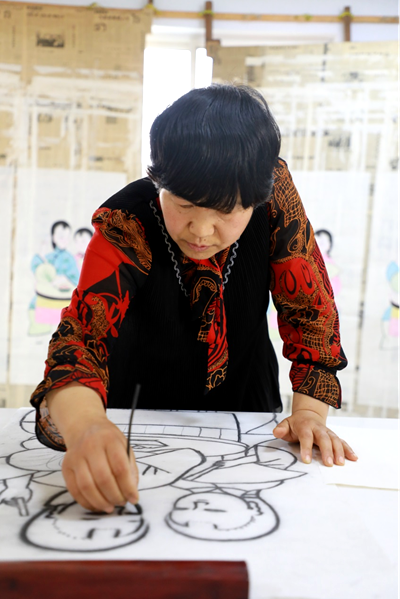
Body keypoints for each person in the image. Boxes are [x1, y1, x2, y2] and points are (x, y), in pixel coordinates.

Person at [30, 84, 357, 514]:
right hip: (136, 413)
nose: (201, 231)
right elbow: (80, 340)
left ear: (256, 198)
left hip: (246, 406)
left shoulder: (275, 197)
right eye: (183, 204)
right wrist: (87, 427)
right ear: (159, 181)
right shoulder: (126, 222)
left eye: (226, 212)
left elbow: (310, 311)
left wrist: (310, 415)